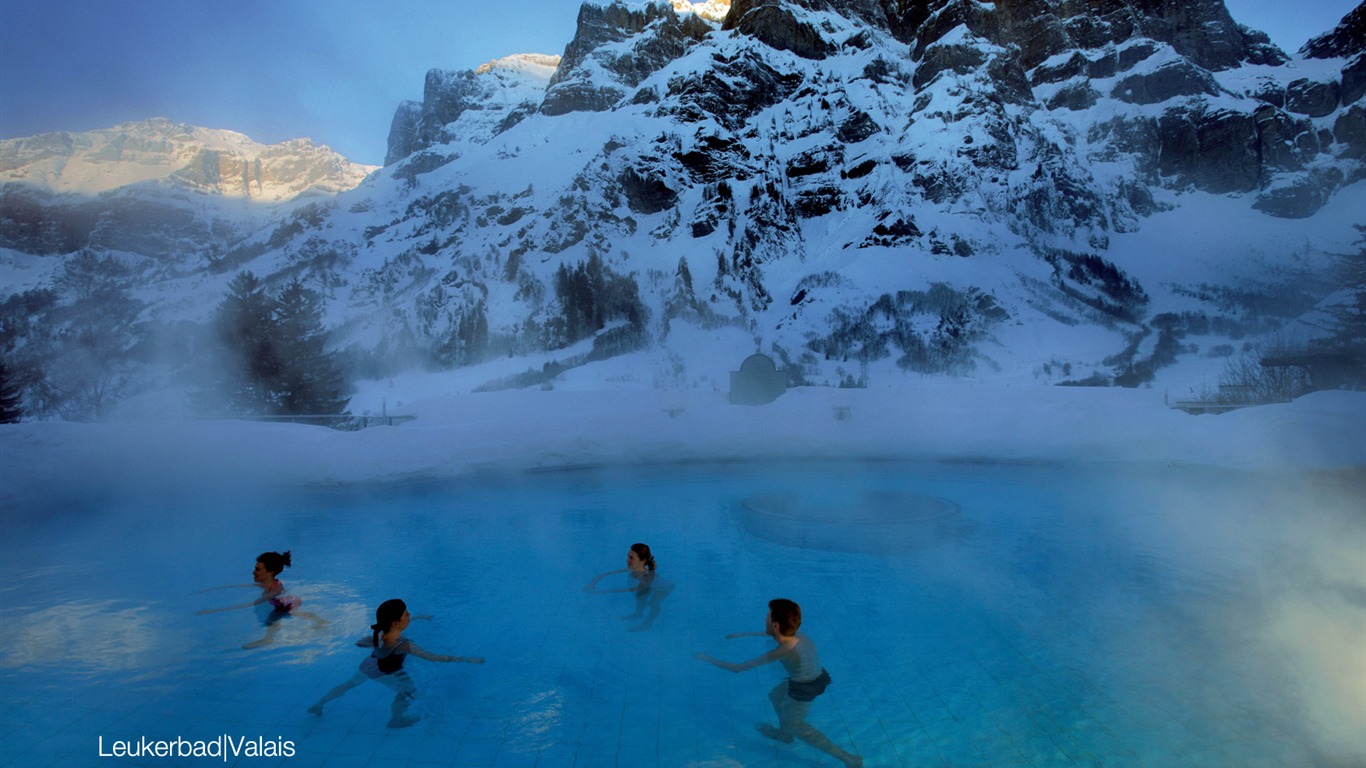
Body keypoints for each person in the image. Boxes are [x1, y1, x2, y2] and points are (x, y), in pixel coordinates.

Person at [696, 598, 862, 767]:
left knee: (797, 725)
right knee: (775, 695)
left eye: (767, 617)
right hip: (815, 675)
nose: (764, 619)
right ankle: (784, 734)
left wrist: (706, 658)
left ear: (775, 626)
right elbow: (770, 634)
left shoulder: (783, 651)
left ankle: (848, 758)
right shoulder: (799, 636)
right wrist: (744, 634)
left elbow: (738, 668)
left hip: (805, 687)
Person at [308, 598, 484, 728]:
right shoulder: (402, 644)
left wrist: (418, 617)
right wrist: (466, 659)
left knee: (349, 684)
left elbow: (380, 635)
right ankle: (396, 720)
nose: (409, 616)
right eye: (406, 614)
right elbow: (432, 657)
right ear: (396, 621)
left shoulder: (380, 630)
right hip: (386, 672)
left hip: (369, 664)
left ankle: (319, 704)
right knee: (408, 691)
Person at [195, 550, 324, 648]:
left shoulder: (274, 589)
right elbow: (246, 586)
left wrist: (213, 611)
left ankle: (320, 621)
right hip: (280, 602)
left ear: (270, 572)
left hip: (284, 602)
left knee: (286, 615)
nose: (253, 572)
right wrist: (219, 588)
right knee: (272, 620)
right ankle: (269, 639)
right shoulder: (267, 583)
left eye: (258, 569)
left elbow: (247, 604)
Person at [583, 542, 674, 631]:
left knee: (653, 603)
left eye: (631, 558)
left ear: (642, 561)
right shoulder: (633, 568)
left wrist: (605, 591)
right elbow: (604, 574)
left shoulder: (646, 577)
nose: (627, 560)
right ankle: (638, 613)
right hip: (648, 585)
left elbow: (633, 589)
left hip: (664, 588)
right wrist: (592, 583)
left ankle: (648, 624)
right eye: (628, 556)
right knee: (640, 598)